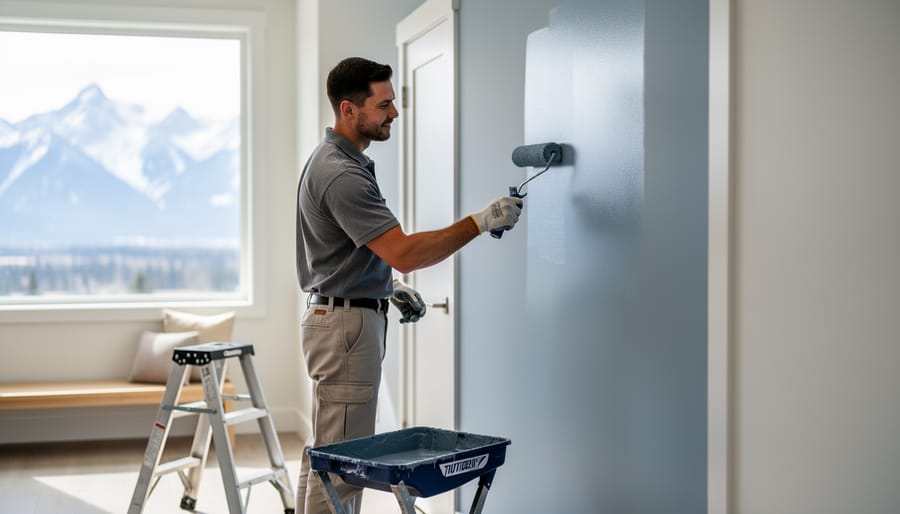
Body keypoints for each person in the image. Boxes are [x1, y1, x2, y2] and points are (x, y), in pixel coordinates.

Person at [295, 56, 523, 513]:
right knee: (343, 466)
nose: (394, 113)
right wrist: (480, 222)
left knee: (328, 451)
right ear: (348, 109)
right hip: (346, 329)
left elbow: (361, 250)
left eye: (394, 102)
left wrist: (385, 284)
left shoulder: (339, 161)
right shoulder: (341, 174)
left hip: (344, 315)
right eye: (384, 105)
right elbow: (405, 251)